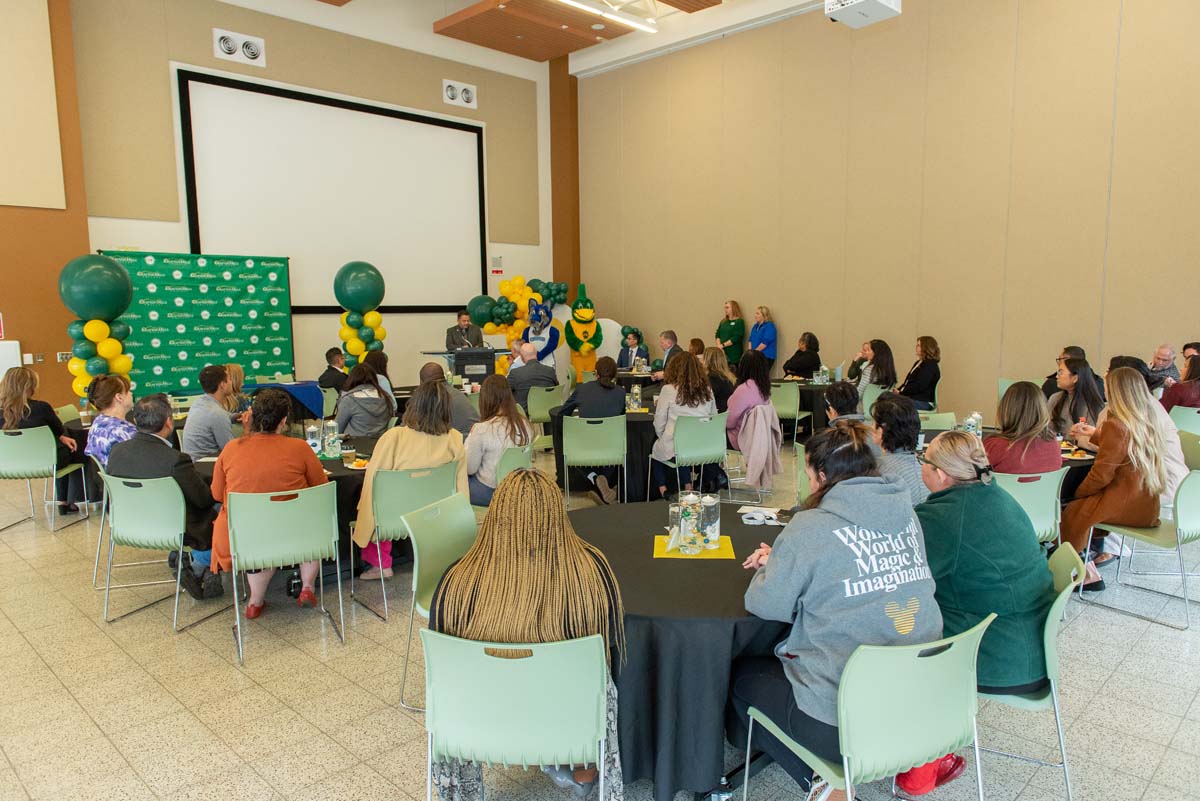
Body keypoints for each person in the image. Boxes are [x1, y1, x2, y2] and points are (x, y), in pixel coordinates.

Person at [732, 422, 941, 798]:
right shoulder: (908, 514)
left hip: (846, 714)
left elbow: (764, 603)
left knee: (742, 680)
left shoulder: (811, 525)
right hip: (921, 695)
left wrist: (778, 561)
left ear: (824, 476)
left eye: (810, 475)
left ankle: (822, 783)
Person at [429, 469, 624, 801]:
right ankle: (581, 769)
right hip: (568, 726)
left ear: (495, 515)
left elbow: (443, 674)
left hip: (477, 723)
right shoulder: (591, 575)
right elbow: (612, 664)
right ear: (558, 516)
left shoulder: (457, 583)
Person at [897, 431, 1055, 796]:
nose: (921, 466)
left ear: (940, 474)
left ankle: (921, 765)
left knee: (900, 628)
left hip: (999, 652)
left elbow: (905, 576)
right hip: (1031, 641)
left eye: (925, 461)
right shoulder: (997, 495)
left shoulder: (944, 516)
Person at [209, 389, 329, 617]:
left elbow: (216, 494)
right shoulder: (300, 448)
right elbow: (321, 488)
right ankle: (307, 587)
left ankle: (255, 600)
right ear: (283, 421)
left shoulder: (231, 449)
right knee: (313, 522)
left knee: (261, 539)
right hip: (297, 533)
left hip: (246, 537)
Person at [1071, 356, 1187, 563]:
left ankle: (1088, 558)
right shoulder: (1148, 409)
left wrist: (1079, 492)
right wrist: (1096, 433)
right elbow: (1125, 443)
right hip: (1163, 486)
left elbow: (1105, 467)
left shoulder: (1118, 418)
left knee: (1077, 505)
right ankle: (1088, 555)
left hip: (1148, 490)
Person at [1062, 367, 1168, 590]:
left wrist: (1078, 493)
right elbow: (1123, 448)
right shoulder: (1146, 420)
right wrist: (1095, 434)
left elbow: (1101, 475)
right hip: (1145, 504)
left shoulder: (1116, 424)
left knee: (1070, 510)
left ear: (1116, 391)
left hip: (1123, 502)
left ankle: (1082, 572)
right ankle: (1089, 562)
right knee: (1081, 509)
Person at [107, 394, 221, 600]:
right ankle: (200, 566)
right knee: (224, 509)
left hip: (129, 525)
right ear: (169, 422)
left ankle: (201, 566)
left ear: (136, 421)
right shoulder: (175, 459)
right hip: (174, 528)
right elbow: (204, 500)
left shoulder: (117, 451)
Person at [354, 380, 468, 580]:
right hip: (436, 515)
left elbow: (374, 483)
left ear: (414, 404)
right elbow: (461, 487)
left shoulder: (394, 437)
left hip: (393, 520)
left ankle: (381, 564)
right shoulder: (455, 439)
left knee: (370, 501)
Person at [0, 366, 85, 512]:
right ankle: (65, 503)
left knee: (60, 447)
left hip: (7, 466)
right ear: (31, 386)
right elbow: (58, 430)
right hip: (45, 463)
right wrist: (63, 437)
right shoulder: (41, 408)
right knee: (74, 448)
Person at [561, 356, 626, 504]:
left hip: (585, 448)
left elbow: (563, 413)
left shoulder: (582, 389)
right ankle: (607, 484)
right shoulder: (621, 393)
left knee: (567, 443)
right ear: (615, 375)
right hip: (613, 448)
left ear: (595, 373)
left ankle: (595, 478)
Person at [651, 353, 717, 498]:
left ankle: (664, 491)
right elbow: (714, 418)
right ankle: (688, 486)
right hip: (703, 447)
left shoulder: (668, 390)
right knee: (682, 447)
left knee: (656, 452)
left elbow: (659, 423)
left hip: (677, 448)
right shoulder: (707, 390)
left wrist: (663, 437)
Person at [464, 375, 532, 506]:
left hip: (491, 491)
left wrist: (470, 438)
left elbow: (469, 468)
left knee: (456, 482)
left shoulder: (481, 429)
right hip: (519, 488)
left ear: (485, 399)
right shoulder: (525, 424)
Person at [983, 381, 1062, 473]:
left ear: (1005, 409)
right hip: (1044, 487)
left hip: (1007, 487)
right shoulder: (1053, 443)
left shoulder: (995, 445)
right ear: (1042, 409)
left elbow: (971, 474)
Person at [869, 392, 928, 505]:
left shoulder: (879, 473)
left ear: (881, 431)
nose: (871, 427)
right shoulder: (927, 467)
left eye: (873, 423)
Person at [181, 365, 247, 459]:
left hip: (195, 464)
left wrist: (236, 416)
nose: (232, 382)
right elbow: (232, 452)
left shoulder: (199, 403)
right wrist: (247, 430)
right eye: (229, 379)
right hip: (207, 468)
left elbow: (218, 416)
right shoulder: (217, 414)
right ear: (222, 385)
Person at [83, 374, 135, 467]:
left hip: (108, 480)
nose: (131, 393)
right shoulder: (125, 431)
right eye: (127, 391)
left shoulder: (98, 422)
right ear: (119, 397)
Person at [1047, 358, 1105, 436]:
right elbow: (1047, 428)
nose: (1057, 376)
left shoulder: (1093, 403)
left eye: (1061, 372)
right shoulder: (1055, 398)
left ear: (1075, 378)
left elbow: (1095, 436)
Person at [419, 362, 479, 438]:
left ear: (422, 382)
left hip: (462, 442)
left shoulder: (433, 396)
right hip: (476, 438)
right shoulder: (456, 392)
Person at [726, 351, 771, 451]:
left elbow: (729, 422)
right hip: (760, 438)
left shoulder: (743, 389)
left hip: (740, 439)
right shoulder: (765, 389)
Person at [335, 363, 394, 438]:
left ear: (352, 378)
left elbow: (337, 429)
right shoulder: (386, 397)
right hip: (380, 443)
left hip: (354, 444)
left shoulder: (349, 399)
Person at [506, 342, 558, 412]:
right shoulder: (550, 371)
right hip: (547, 411)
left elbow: (505, 391)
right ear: (536, 353)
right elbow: (556, 388)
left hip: (524, 413)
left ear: (521, 357)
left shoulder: (515, 373)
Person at [897, 336, 941, 410]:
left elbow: (919, 386)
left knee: (891, 403)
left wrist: (901, 392)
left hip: (923, 401)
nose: (916, 347)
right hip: (913, 398)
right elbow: (907, 383)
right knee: (885, 398)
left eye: (918, 345)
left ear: (925, 348)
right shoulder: (918, 363)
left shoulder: (930, 365)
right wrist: (898, 390)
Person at [702, 347, 735, 413]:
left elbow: (705, 402)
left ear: (706, 360)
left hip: (717, 417)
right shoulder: (729, 378)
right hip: (726, 415)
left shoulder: (712, 379)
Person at [716, 300, 746, 369]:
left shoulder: (739, 321)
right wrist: (719, 346)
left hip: (733, 354)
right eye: (725, 308)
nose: (725, 309)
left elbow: (737, 337)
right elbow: (718, 334)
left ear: (733, 308)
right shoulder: (723, 321)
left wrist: (723, 345)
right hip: (722, 352)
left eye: (727, 307)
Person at [747, 306, 778, 370]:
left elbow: (765, 342)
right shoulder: (755, 326)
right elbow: (750, 339)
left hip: (765, 356)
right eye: (755, 313)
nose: (755, 315)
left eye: (758, 314)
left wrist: (754, 353)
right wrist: (750, 353)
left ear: (764, 315)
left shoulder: (769, 326)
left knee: (761, 375)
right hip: (754, 356)